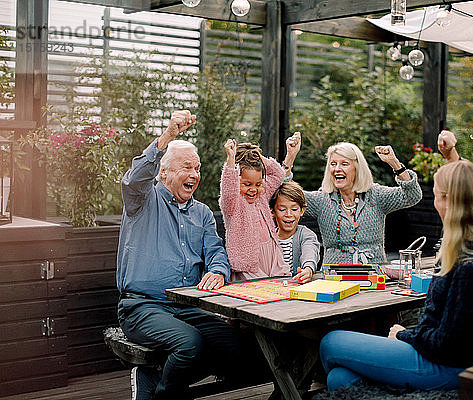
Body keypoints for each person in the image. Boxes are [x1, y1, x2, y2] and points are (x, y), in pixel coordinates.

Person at [319, 159, 473, 391]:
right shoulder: (467, 251)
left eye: (437, 196)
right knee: (339, 379)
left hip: (448, 366)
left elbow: (448, 344)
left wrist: (404, 335)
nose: (435, 203)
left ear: (450, 202)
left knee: (331, 342)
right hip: (437, 356)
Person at [116, 110, 239, 400]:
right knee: (190, 345)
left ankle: (156, 378)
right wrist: (169, 134)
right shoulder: (142, 199)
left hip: (189, 306)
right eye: (186, 167)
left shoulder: (203, 213)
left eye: (197, 169)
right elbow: (133, 179)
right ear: (164, 172)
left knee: (238, 344)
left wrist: (218, 271)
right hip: (142, 306)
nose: (194, 175)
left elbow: (216, 251)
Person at [284, 133, 422, 264]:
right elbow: (285, 193)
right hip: (335, 278)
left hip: (373, 276)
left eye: (344, 164)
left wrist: (395, 164)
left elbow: (412, 196)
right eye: (333, 164)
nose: (337, 169)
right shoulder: (321, 200)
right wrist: (290, 156)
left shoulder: (376, 195)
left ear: (357, 168)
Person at [219, 137, 297, 281]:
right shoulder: (233, 204)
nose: (253, 189)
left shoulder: (262, 196)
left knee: (279, 293)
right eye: (247, 184)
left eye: (258, 184)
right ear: (237, 181)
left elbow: (278, 174)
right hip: (249, 265)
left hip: (272, 257)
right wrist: (231, 160)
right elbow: (228, 188)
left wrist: (258, 157)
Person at [269, 180, 321, 283]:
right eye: (282, 209)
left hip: (296, 288)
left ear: (302, 211)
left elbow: (310, 251)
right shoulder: (268, 237)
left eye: (294, 209)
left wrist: (308, 269)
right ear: (273, 211)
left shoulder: (306, 235)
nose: (288, 214)